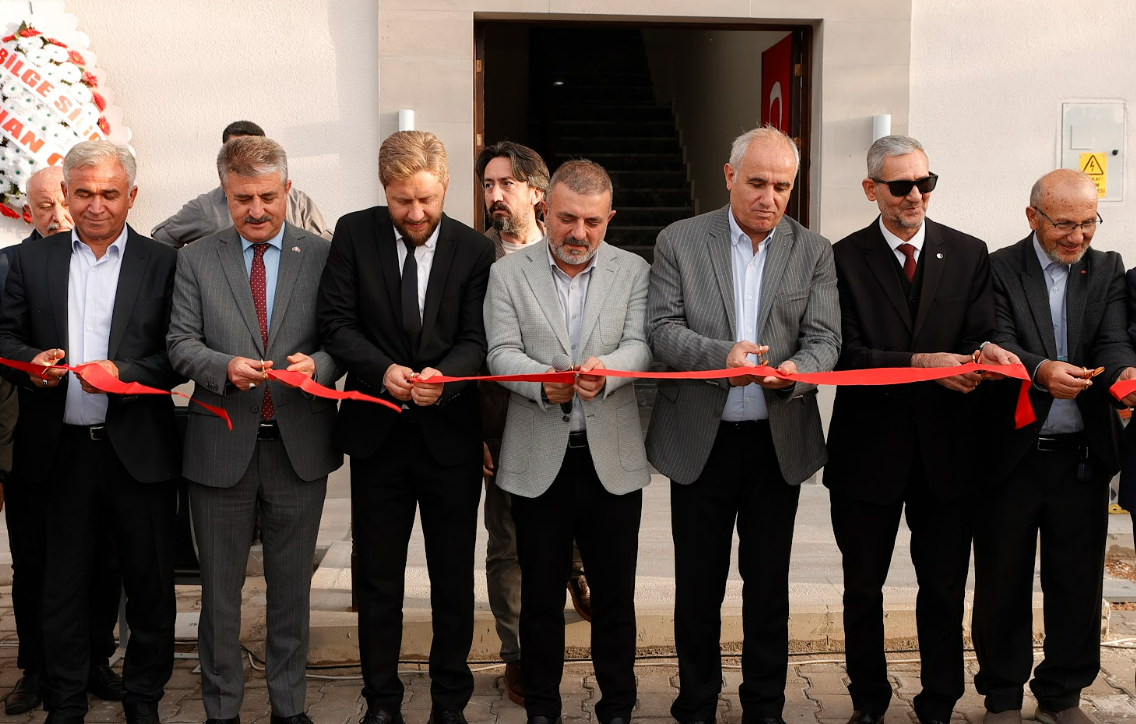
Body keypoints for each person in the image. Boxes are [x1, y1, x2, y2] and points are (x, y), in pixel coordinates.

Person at [644, 126, 841, 724]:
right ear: (730, 177)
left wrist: (797, 372)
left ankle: (764, 706)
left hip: (776, 444)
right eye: (758, 183)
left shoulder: (814, 251)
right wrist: (718, 356)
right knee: (698, 587)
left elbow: (826, 338)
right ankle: (697, 702)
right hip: (700, 443)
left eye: (783, 186)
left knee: (768, 587)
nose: (770, 197)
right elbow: (662, 329)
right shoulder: (680, 241)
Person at [826, 135, 1021, 724]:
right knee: (863, 591)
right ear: (871, 190)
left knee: (942, 588)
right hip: (869, 453)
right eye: (901, 186)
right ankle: (868, 701)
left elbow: (979, 332)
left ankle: (939, 700)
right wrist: (921, 367)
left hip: (948, 453)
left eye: (925, 183)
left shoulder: (968, 252)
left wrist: (985, 353)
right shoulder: (841, 257)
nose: (916, 196)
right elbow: (842, 354)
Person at [0, 141, 182, 724]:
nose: (96, 205)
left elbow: (177, 352)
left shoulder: (164, 263)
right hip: (60, 455)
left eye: (108, 193)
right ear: (66, 197)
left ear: (132, 196)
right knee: (62, 589)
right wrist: (35, 364)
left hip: (138, 452)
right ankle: (66, 703)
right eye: (83, 193)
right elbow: (4, 340)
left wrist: (125, 374)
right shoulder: (33, 262)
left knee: (150, 587)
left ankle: (143, 701)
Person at [316, 130, 494, 724]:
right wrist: (382, 370)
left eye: (425, 200)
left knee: (451, 581)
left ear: (445, 186)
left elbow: (478, 339)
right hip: (377, 436)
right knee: (378, 582)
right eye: (401, 201)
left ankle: (450, 704)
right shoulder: (352, 233)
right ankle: (382, 703)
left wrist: (443, 376)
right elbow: (336, 324)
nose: (415, 214)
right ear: (382, 190)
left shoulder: (473, 249)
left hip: (450, 441)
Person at [167, 136, 342, 724]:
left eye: (268, 196)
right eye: (243, 199)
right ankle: (222, 710)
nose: (257, 210)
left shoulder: (320, 255)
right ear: (226, 194)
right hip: (220, 446)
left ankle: (289, 708)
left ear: (287, 191)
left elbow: (338, 339)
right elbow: (179, 343)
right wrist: (222, 367)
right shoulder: (196, 258)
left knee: (290, 592)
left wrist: (317, 367)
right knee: (218, 597)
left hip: (299, 450)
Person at [485, 159, 651, 724]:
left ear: (609, 219)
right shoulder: (508, 274)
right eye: (566, 219)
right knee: (539, 601)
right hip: (537, 459)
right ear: (544, 211)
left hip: (613, 461)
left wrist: (612, 371)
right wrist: (541, 383)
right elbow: (500, 353)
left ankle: (619, 709)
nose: (578, 233)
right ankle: (543, 710)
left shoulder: (634, 271)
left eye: (592, 222)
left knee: (614, 599)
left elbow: (642, 346)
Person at [974, 169, 1136, 724]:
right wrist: (1040, 372)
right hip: (1013, 456)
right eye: (1064, 223)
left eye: (1088, 222)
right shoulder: (996, 268)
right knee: (1003, 580)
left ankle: (1063, 694)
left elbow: (1113, 338)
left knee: (1076, 583)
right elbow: (998, 339)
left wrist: (1125, 376)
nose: (1078, 235)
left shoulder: (1108, 267)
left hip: (1082, 458)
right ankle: (1001, 697)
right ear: (1032, 218)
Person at [1, 166, 126, 715]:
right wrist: (31, 364)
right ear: (29, 214)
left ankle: (96, 658)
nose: (59, 215)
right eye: (44, 207)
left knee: (102, 558)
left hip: (102, 439)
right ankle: (37, 668)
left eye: (63, 203)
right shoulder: (14, 265)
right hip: (34, 444)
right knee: (34, 561)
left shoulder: (107, 259)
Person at [475, 140, 593, 706]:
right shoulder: (475, 260)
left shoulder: (575, 244)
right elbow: (471, 352)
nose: (494, 196)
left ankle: (575, 569)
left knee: (572, 521)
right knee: (508, 545)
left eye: (506, 184)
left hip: (577, 424)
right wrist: (478, 433)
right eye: (488, 185)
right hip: (503, 426)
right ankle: (519, 655)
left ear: (537, 194)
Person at [151, 120, 331, 247]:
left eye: (268, 197)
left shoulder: (298, 201)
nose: (257, 211)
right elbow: (161, 242)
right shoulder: (205, 206)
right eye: (236, 150)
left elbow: (323, 248)